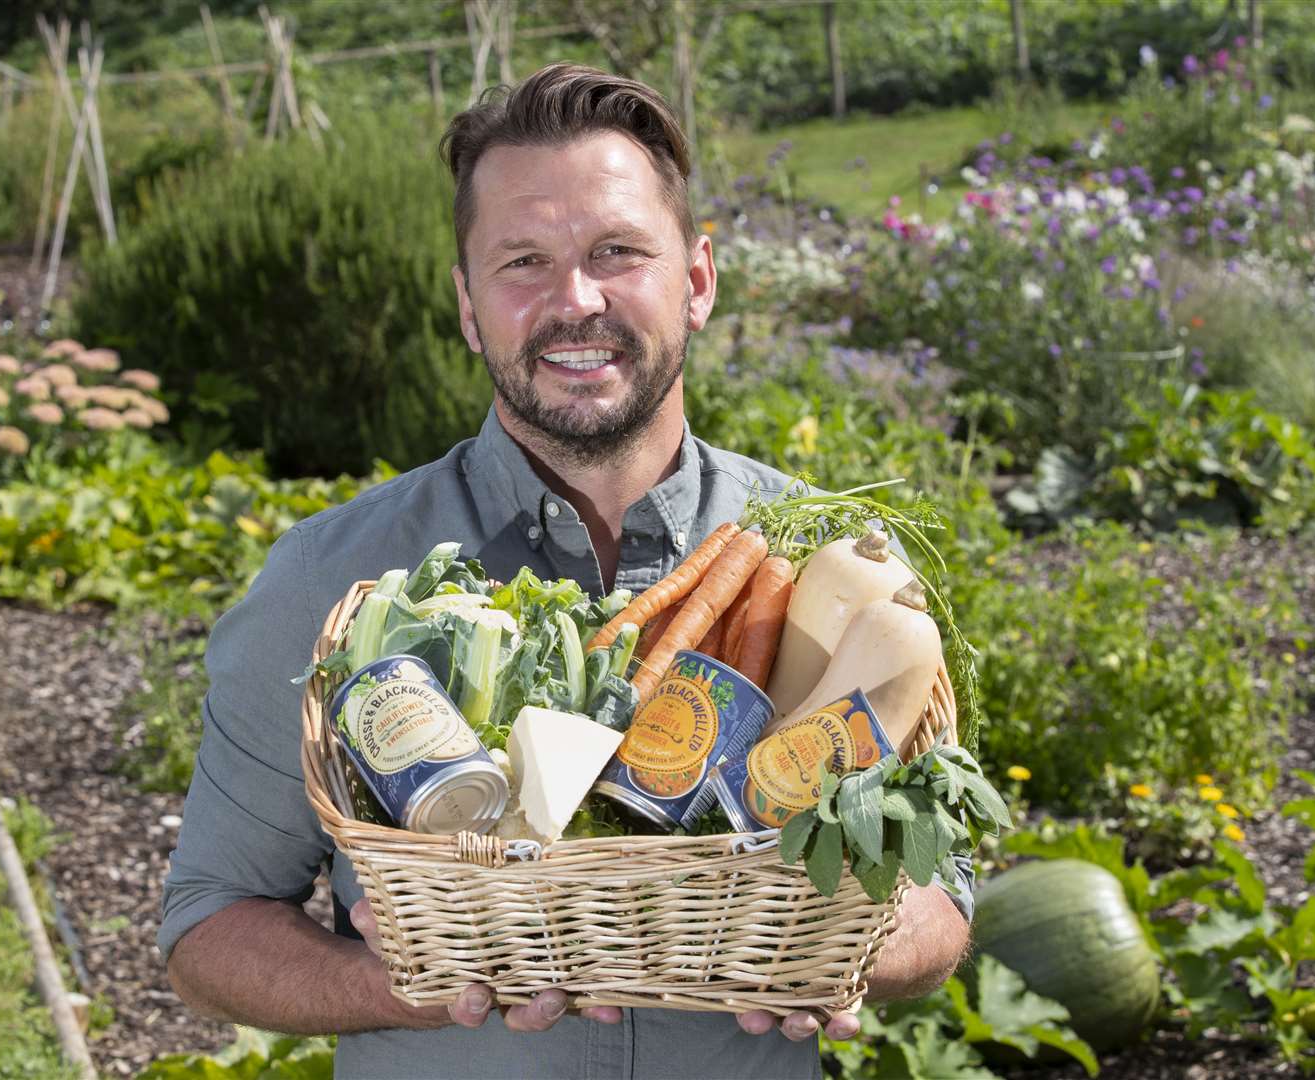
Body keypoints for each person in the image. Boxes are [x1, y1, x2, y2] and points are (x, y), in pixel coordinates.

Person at [161, 63, 972, 1079]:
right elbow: (207, 927)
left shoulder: (829, 569)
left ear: (699, 280)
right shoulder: (336, 581)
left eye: (617, 252)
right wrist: (413, 988)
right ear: (467, 307)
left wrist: (841, 950)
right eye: (523, 262)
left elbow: (944, 902)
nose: (574, 300)